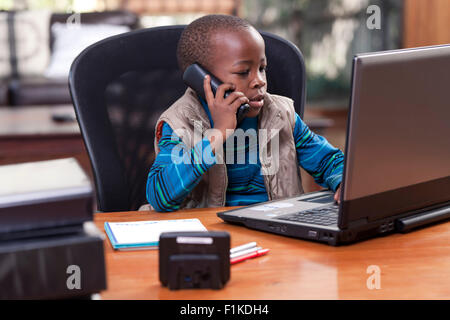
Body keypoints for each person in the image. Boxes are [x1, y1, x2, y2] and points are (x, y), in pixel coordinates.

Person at [146, 14, 344, 212]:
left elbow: (328, 160)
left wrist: (344, 182)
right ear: (203, 79)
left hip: (276, 231)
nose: (260, 80)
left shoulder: (281, 114)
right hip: (211, 235)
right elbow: (160, 197)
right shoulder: (179, 123)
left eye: (262, 68)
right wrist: (218, 134)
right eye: (243, 72)